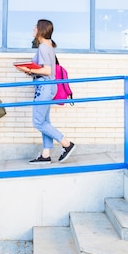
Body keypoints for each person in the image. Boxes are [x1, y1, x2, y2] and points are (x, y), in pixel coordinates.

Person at [16, 19, 75, 164]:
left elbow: (47, 70)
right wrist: (31, 72)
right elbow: (46, 69)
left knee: (38, 122)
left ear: (41, 30)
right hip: (48, 86)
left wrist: (28, 69)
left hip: (44, 87)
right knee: (44, 121)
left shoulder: (43, 46)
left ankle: (66, 144)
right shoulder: (48, 46)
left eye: (35, 27)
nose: (33, 29)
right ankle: (46, 154)